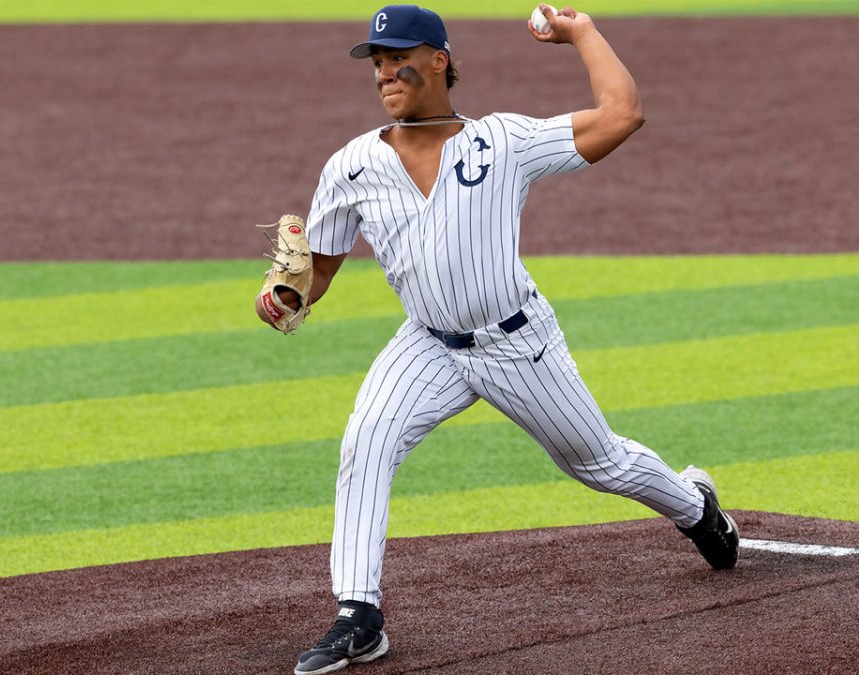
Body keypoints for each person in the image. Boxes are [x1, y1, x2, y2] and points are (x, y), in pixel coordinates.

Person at [255, 5, 740, 674]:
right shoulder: (352, 165)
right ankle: (357, 614)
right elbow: (320, 268)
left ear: (438, 61)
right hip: (428, 345)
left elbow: (621, 114)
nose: (383, 73)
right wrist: (285, 295)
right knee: (366, 441)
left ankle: (695, 504)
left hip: (518, 344)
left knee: (598, 462)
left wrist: (581, 32)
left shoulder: (502, 141)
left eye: (397, 57)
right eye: (374, 61)